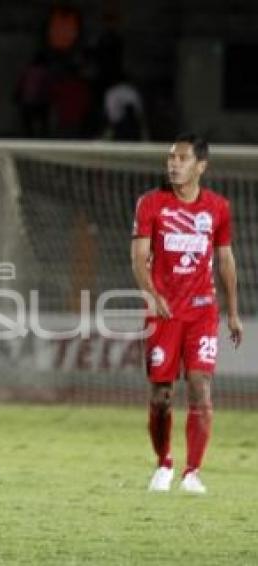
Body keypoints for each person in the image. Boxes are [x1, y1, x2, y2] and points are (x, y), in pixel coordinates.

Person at [131, 133, 242, 494]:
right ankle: (163, 463)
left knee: (200, 387)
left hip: (201, 311)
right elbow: (137, 258)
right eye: (171, 158)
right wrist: (152, 294)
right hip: (162, 313)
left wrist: (234, 312)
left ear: (201, 166)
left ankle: (193, 471)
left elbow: (225, 259)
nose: (174, 164)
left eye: (182, 158)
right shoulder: (150, 204)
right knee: (161, 395)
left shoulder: (218, 208)